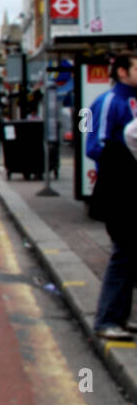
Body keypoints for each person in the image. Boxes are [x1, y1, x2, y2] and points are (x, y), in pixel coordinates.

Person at [85, 52, 137, 340]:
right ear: (121, 72)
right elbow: (93, 145)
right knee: (124, 252)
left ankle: (120, 316)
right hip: (118, 188)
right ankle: (106, 320)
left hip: (131, 185)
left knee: (130, 254)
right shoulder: (107, 102)